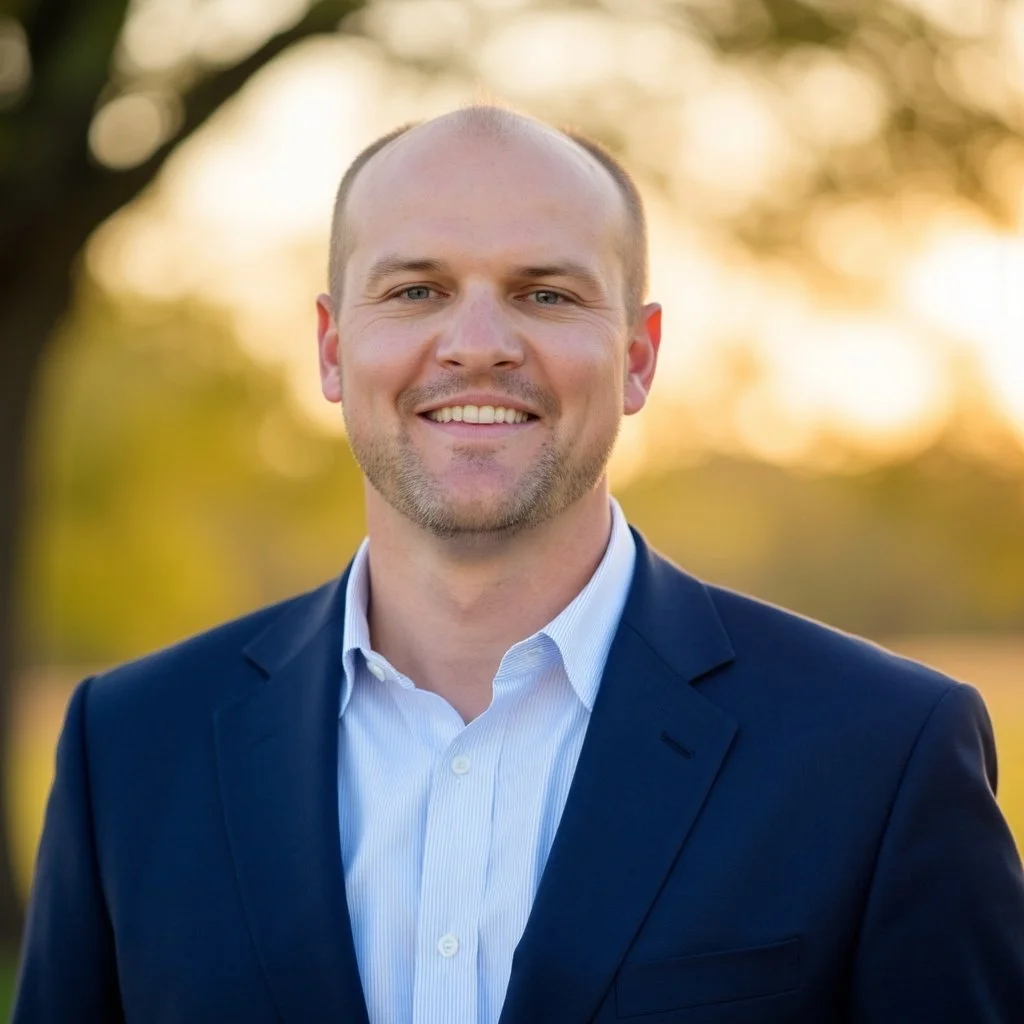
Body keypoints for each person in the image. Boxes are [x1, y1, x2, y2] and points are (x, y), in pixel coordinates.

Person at [13, 105, 1024, 1024]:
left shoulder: (880, 752)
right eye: (416, 290)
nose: (479, 345)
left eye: (544, 292)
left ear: (637, 355)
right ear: (331, 348)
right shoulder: (133, 750)